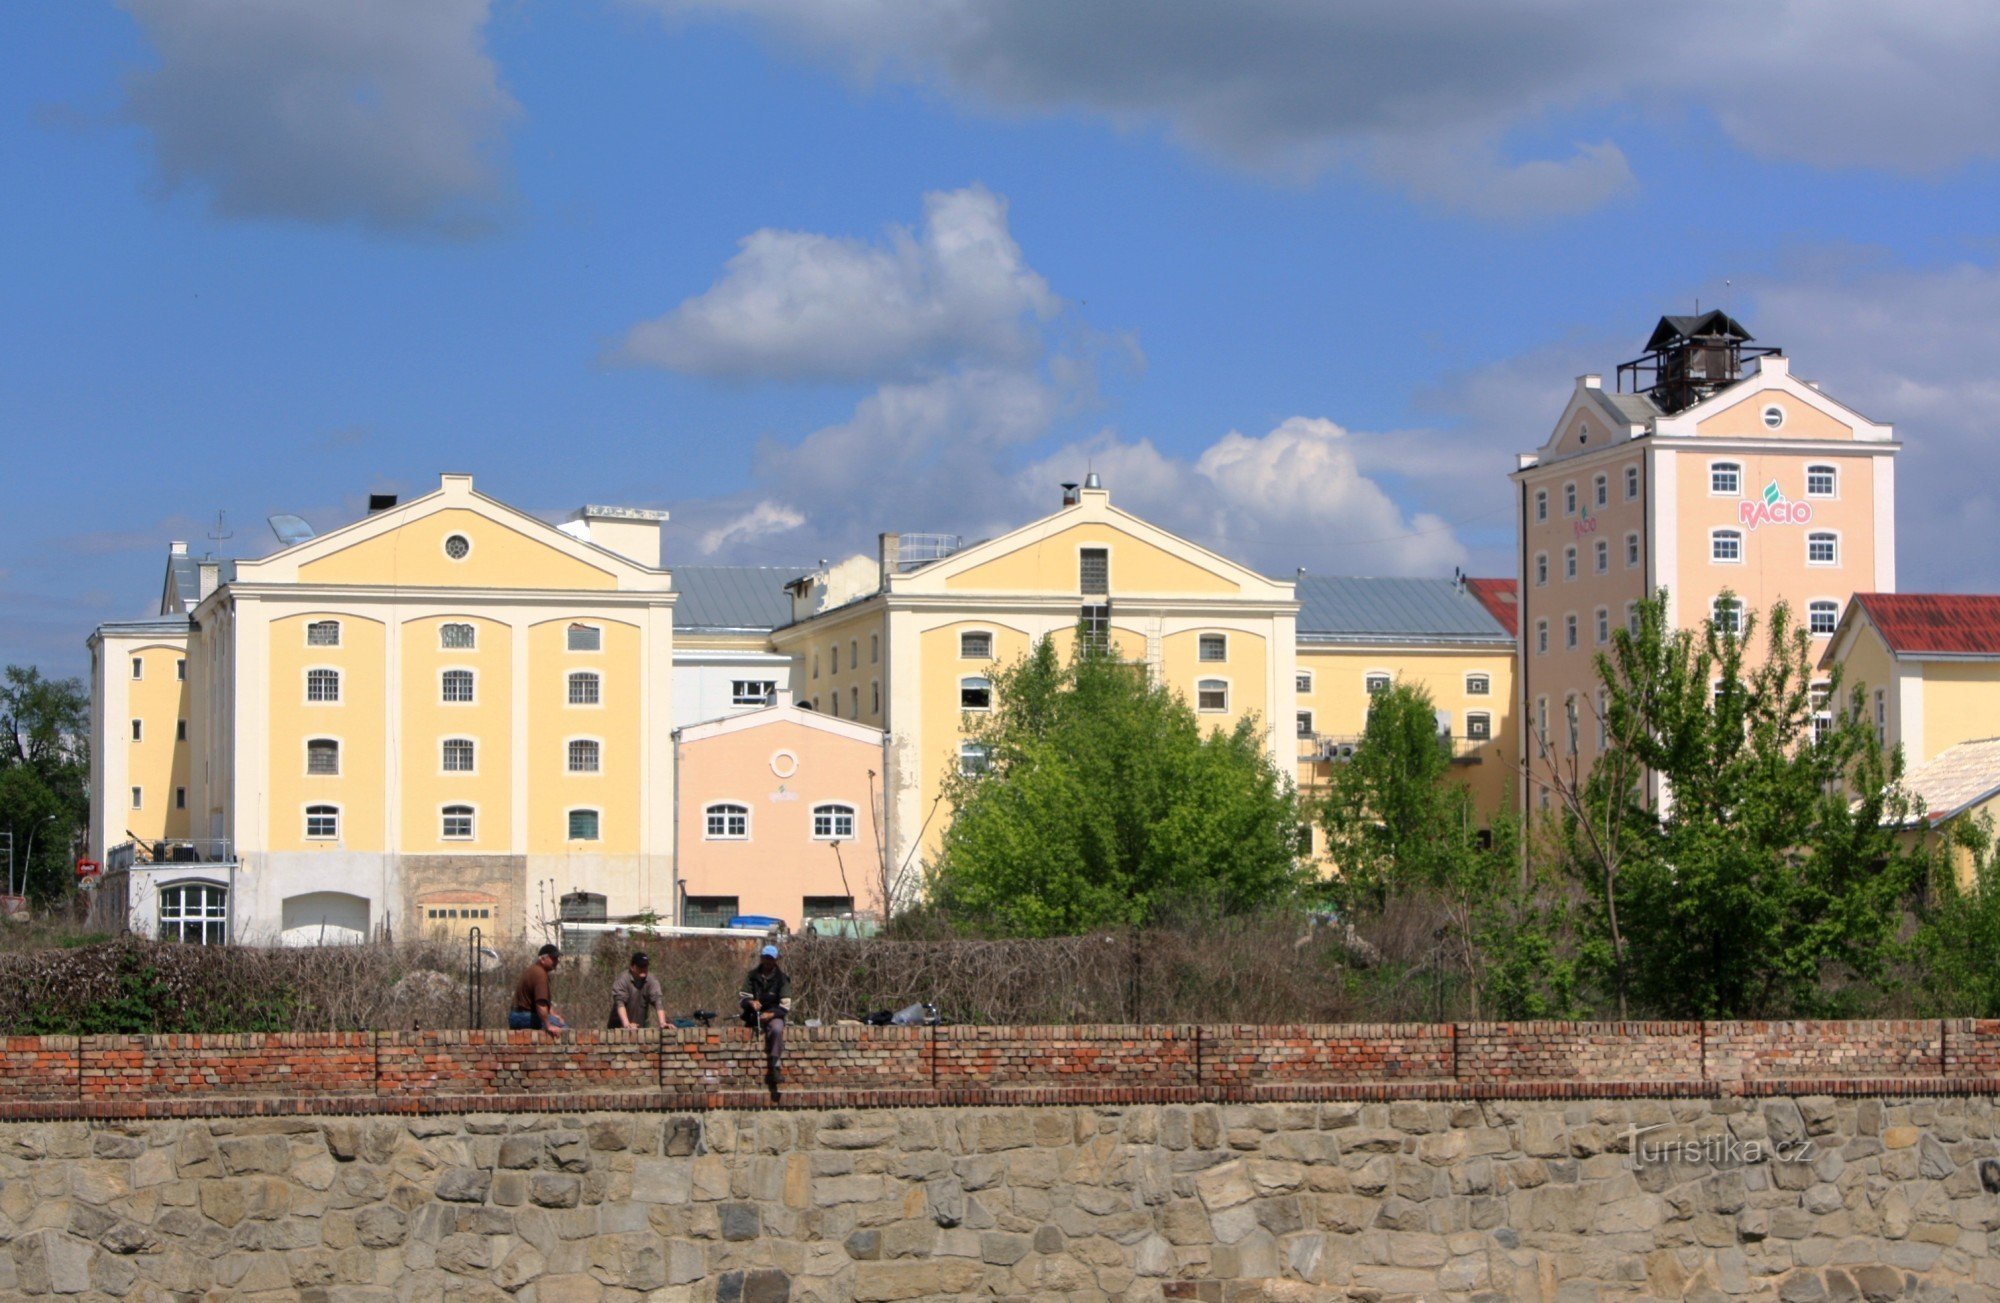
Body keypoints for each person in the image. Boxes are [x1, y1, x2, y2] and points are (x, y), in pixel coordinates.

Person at [739, 943, 791, 1091]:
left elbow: (785, 1005)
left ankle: (775, 1065)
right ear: (761, 958)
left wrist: (771, 1014)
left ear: (775, 960)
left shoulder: (782, 979)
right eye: (765, 958)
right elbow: (742, 998)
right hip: (753, 1015)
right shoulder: (752, 976)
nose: (768, 962)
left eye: (771, 959)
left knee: (776, 1029)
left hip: (774, 1014)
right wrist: (751, 1002)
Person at [509, 944, 565, 1035]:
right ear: (542, 959)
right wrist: (548, 1025)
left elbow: (544, 1002)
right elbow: (540, 1004)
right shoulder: (540, 975)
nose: (556, 961)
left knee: (556, 1020)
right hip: (524, 1016)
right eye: (553, 958)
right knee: (562, 1028)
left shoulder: (534, 970)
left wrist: (553, 1014)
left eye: (557, 958)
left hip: (517, 1015)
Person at [608, 951, 665, 1030]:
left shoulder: (652, 980)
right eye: (640, 966)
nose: (643, 969)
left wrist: (663, 1023)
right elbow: (620, 1003)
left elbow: (658, 1002)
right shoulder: (623, 979)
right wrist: (627, 1025)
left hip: (639, 1027)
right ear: (632, 967)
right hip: (618, 1028)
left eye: (645, 966)